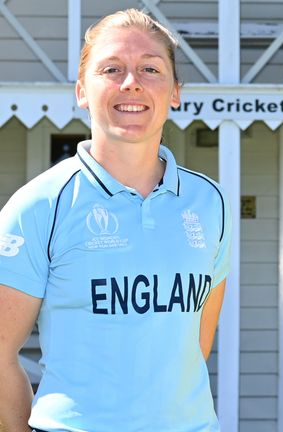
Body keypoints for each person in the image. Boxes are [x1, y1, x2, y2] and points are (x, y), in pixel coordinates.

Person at [0, 9, 231, 432]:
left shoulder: (210, 201)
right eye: (111, 68)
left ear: (175, 92)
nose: (132, 82)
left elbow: (193, 345)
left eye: (150, 68)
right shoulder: (38, 205)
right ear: (82, 91)